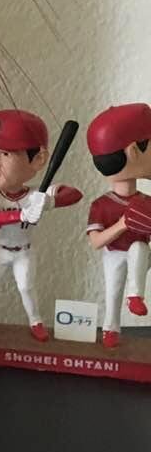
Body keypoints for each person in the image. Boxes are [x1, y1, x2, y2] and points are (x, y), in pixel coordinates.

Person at [0, 110, 81, 342]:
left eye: (5, 153)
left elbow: (74, 194)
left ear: (38, 159)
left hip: (24, 252)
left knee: (26, 287)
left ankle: (35, 321)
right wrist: (23, 214)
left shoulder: (36, 194)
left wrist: (48, 202)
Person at [85, 103, 151, 348]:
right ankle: (110, 329)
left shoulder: (146, 201)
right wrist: (122, 224)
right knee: (112, 293)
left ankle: (135, 296)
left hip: (141, 257)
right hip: (113, 254)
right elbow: (95, 242)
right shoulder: (102, 204)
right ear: (133, 151)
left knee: (139, 248)